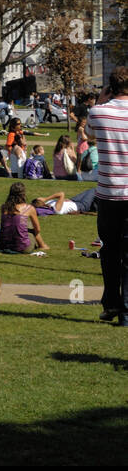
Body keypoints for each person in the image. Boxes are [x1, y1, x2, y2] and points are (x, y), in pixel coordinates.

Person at [89, 68, 128, 327]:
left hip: (108, 193)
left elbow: (90, 134)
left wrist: (101, 100)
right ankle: (125, 310)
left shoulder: (98, 112)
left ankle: (112, 302)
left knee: (110, 250)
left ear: (110, 87)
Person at [0, 182, 49, 254]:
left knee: (12, 224)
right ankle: (42, 245)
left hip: (3, 245)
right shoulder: (29, 208)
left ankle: (42, 245)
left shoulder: (4, 207)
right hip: (23, 248)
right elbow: (37, 229)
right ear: (23, 194)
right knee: (30, 225)